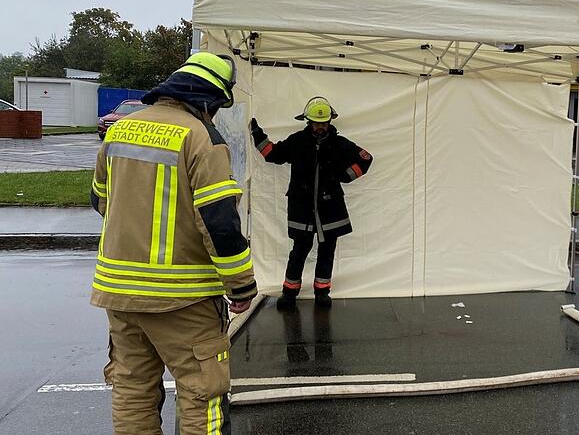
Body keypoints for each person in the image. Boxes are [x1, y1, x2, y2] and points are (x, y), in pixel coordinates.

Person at [90, 52, 257, 434]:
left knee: (132, 389)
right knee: (203, 393)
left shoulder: (120, 130)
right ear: (208, 100)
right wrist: (242, 286)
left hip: (118, 293)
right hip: (183, 298)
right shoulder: (201, 138)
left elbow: (101, 200)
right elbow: (220, 224)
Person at [250, 96, 372, 310]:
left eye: (324, 123)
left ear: (330, 122)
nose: (320, 127)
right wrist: (257, 135)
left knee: (327, 252)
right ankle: (289, 293)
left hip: (330, 208)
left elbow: (365, 158)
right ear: (308, 121)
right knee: (299, 250)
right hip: (302, 208)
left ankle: (322, 292)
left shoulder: (340, 144)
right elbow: (273, 154)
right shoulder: (297, 141)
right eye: (317, 123)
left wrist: (345, 176)